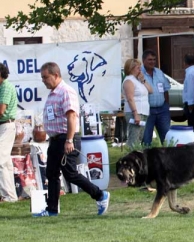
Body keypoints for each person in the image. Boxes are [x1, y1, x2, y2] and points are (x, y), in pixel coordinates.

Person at [33, 62, 110, 217]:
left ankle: (100, 195)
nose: (43, 80)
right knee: (52, 173)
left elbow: (72, 116)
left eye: (45, 77)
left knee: (70, 174)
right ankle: (52, 210)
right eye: (42, 77)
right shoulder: (53, 93)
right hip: (55, 139)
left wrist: (69, 140)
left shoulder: (66, 92)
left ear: (55, 75)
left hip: (66, 139)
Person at [141, 50, 171, 146]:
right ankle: (146, 160)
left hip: (162, 110)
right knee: (146, 139)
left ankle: (167, 159)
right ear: (143, 60)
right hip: (147, 111)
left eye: (154, 60)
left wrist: (166, 105)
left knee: (167, 138)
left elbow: (166, 89)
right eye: (149, 59)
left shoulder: (159, 72)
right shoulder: (139, 73)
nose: (152, 62)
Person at [122, 58, 153, 150]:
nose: (140, 70)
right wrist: (135, 114)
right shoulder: (129, 81)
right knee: (133, 138)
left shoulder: (138, 80)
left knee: (139, 137)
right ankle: (130, 159)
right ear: (131, 69)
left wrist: (143, 80)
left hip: (143, 111)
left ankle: (136, 157)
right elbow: (130, 98)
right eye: (138, 68)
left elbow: (151, 90)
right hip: (134, 112)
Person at [0, 64, 18, 203]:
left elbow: (1, 111)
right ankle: (10, 196)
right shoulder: (4, 86)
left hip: (5, 125)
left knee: (1, 161)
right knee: (5, 163)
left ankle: (7, 196)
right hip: (6, 125)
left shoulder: (5, 87)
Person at [183, 54, 194, 132]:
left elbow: (191, 90)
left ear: (185, 63)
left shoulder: (190, 73)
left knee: (193, 127)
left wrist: (190, 106)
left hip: (192, 105)